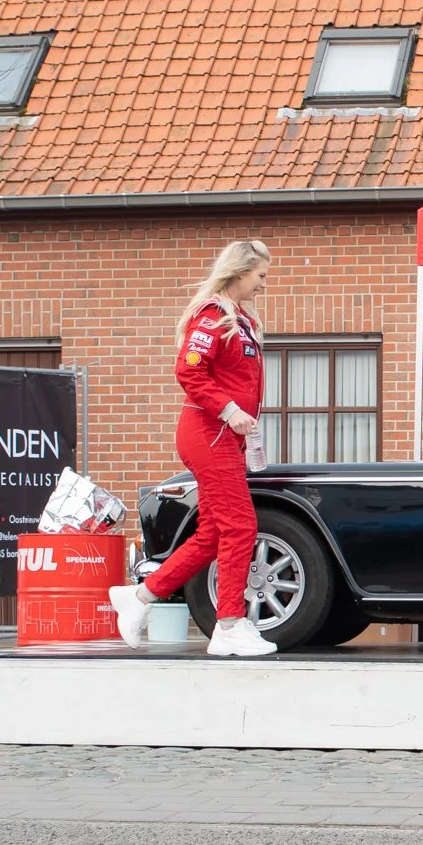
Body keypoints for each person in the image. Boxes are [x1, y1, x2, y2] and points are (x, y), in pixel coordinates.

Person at [110, 239, 276, 657]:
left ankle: (141, 597)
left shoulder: (239, 320)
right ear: (240, 271)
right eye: (260, 276)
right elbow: (188, 371)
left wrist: (238, 423)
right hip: (209, 433)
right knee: (241, 527)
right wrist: (230, 411)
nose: (263, 284)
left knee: (215, 532)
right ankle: (229, 625)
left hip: (222, 436)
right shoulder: (214, 315)